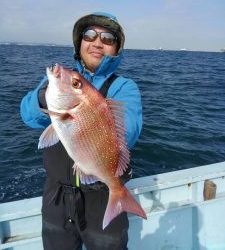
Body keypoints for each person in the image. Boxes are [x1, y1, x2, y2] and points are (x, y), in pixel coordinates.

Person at [20, 12, 142, 250]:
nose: (97, 42)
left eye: (108, 38)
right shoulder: (59, 82)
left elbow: (130, 130)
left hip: (102, 194)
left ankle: (119, 197)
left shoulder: (124, 87)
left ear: (116, 48)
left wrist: (94, 117)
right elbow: (27, 115)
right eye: (89, 35)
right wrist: (44, 98)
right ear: (80, 41)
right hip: (56, 198)